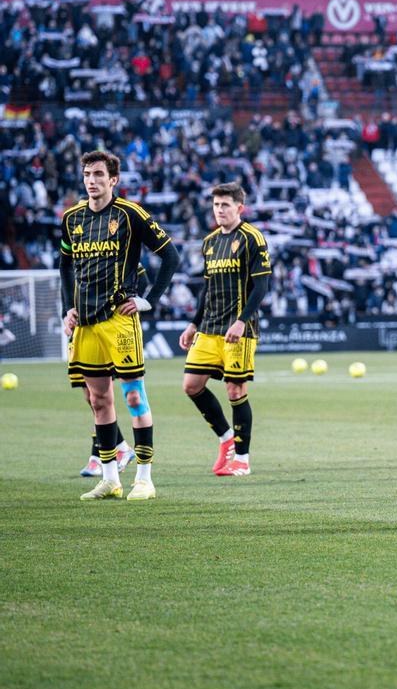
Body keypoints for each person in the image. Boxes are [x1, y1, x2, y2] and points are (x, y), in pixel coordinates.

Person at [62, 149, 180, 501]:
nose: (92, 181)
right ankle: (110, 478)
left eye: (99, 174)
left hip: (118, 320)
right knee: (99, 401)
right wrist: (69, 306)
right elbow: (65, 265)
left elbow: (170, 256)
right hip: (85, 323)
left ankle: (144, 478)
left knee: (132, 396)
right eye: (87, 174)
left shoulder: (130, 215)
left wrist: (150, 299)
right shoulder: (71, 218)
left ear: (113, 179)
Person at [179, 183, 272, 477]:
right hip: (210, 327)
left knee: (235, 390)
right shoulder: (209, 242)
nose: (219, 210)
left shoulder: (252, 238)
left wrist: (242, 320)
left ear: (239, 208)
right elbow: (207, 289)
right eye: (216, 205)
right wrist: (194, 323)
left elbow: (262, 286)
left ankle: (242, 460)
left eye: (225, 205)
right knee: (191, 385)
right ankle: (226, 438)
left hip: (239, 328)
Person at [78, 265, 149, 477]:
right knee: (91, 396)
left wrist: (135, 300)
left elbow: (143, 279)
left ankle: (99, 455)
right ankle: (118, 448)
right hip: (84, 323)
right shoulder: (78, 242)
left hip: (114, 327)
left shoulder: (120, 246)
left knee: (124, 396)